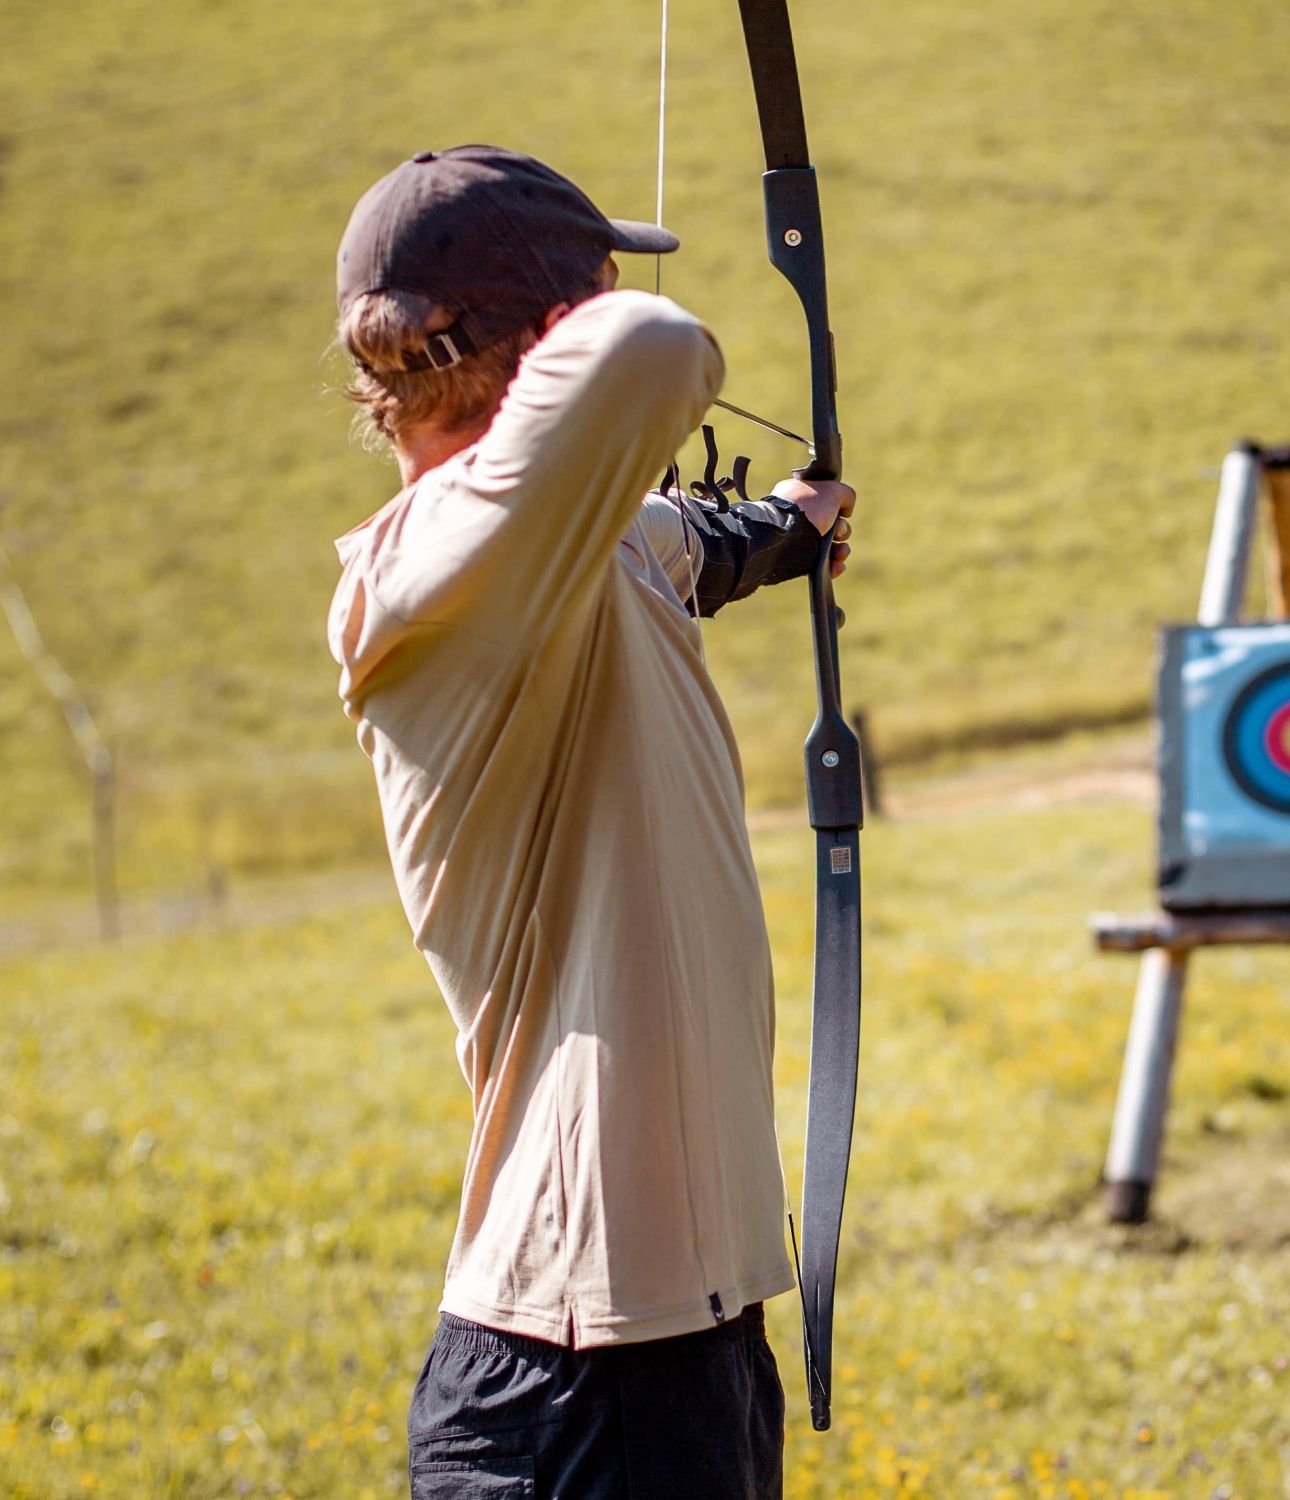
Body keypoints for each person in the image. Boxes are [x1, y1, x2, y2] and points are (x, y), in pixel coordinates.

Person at [326, 143, 855, 1498]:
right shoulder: (435, 571)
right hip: (586, 1373)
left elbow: (681, 542)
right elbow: (651, 351)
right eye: (592, 280)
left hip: (676, 1342)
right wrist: (595, 317)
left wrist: (781, 529)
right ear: (549, 326)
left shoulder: (578, 537)